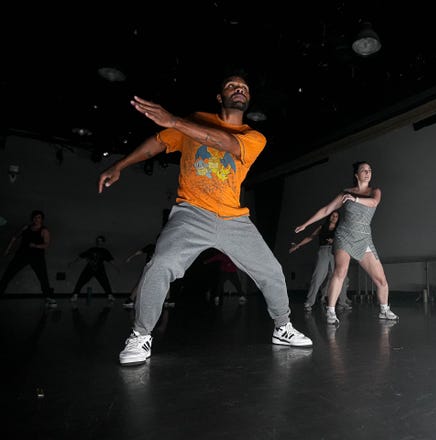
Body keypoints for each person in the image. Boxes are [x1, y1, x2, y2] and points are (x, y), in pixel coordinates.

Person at [98, 72, 312, 366]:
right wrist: (120, 164)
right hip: (191, 213)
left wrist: (174, 120)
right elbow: (158, 143)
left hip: (233, 218)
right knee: (161, 265)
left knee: (271, 271)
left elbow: (226, 144)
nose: (239, 90)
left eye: (244, 88)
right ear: (219, 96)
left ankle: (283, 327)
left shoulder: (254, 137)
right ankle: (140, 335)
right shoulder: (194, 120)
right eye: (232, 86)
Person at [294, 161, 398, 325]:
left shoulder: (374, 191)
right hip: (344, 236)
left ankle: (384, 310)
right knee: (340, 271)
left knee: (381, 281)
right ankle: (331, 311)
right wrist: (306, 224)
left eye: (369, 170)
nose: (367, 172)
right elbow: (327, 210)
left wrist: (355, 199)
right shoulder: (346, 193)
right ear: (356, 175)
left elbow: (374, 203)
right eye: (363, 170)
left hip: (364, 237)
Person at [289, 210, 351, 311]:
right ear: (329, 217)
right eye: (332, 215)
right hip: (324, 251)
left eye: (336, 216)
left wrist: (335, 241)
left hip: (337, 252)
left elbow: (346, 240)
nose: (334, 217)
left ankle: (342, 302)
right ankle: (309, 302)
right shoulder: (322, 227)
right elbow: (310, 237)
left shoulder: (340, 229)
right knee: (318, 276)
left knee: (342, 277)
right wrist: (298, 245)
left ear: (338, 218)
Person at [0, 210, 57, 308]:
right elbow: (14, 238)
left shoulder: (44, 230)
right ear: (32, 218)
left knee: (43, 277)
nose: (36, 219)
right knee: (8, 274)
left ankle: (49, 298)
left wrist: (36, 245)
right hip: (21, 255)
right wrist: (7, 250)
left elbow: (46, 245)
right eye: (35, 217)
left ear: (42, 219)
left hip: (37, 257)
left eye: (39, 217)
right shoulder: (26, 227)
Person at [124, 242, 175, 309]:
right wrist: (130, 257)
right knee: (142, 282)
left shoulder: (165, 247)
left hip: (161, 268)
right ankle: (130, 300)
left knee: (166, 282)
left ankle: (167, 300)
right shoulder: (151, 246)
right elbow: (139, 252)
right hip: (150, 268)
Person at [69, 235, 117, 303]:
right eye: (98, 241)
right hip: (89, 268)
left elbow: (111, 260)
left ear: (103, 242)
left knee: (105, 282)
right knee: (81, 281)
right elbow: (82, 256)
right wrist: (73, 263)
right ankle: (75, 295)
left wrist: (116, 267)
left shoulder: (105, 251)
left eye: (101, 241)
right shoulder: (92, 249)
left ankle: (110, 295)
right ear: (96, 242)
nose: (99, 242)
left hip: (99, 269)